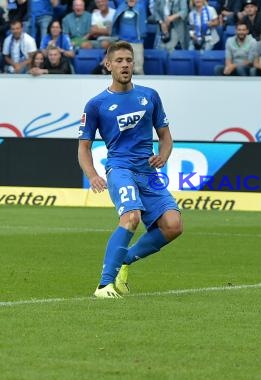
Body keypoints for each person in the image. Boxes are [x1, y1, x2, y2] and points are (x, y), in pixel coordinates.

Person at [78, 41, 183, 299]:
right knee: (131, 217)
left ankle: (122, 259)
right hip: (120, 169)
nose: (125, 65)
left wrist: (163, 155)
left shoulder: (149, 95)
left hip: (148, 172)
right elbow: (84, 148)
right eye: (119, 60)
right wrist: (92, 174)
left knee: (173, 225)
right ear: (108, 65)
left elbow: (166, 136)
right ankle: (104, 285)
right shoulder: (96, 104)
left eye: (128, 60)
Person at [112, 0, 147, 75]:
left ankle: (139, 86)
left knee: (138, 69)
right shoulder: (121, 6)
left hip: (137, 42)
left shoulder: (141, 7)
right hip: (122, 43)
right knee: (120, 69)